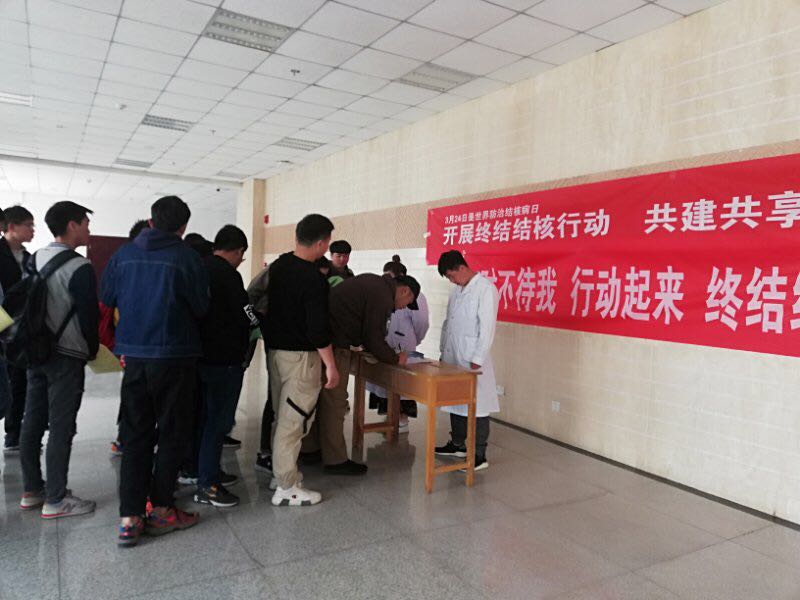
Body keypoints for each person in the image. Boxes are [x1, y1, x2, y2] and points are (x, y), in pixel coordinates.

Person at [101, 195, 209, 546]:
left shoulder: (123, 255)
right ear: (183, 227)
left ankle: (130, 518)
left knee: (135, 434)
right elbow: (201, 306)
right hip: (175, 357)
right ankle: (162, 509)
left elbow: (107, 297)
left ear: (150, 221)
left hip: (134, 357)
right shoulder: (187, 258)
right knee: (173, 433)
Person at [18, 201, 99, 518]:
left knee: (32, 421)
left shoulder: (34, 258)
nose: (88, 229)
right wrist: (93, 349)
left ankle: (32, 490)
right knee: (62, 426)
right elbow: (89, 318)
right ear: (72, 225)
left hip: (35, 351)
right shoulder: (80, 267)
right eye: (85, 223)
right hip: (66, 355)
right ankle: (55, 499)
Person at [300, 271, 420, 474]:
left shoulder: (374, 284)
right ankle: (335, 460)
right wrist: (395, 358)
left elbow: (364, 328)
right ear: (404, 291)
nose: (403, 308)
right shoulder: (382, 295)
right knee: (335, 402)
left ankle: (311, 449)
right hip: (335, 345)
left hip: (324, 341)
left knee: (321, 399)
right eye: (408, 303)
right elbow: (373, 336)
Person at [265, 214, 338, 506]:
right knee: (294, 421)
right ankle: (287, 486)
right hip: (301, 359)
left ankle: (281, 473)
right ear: (321, 243)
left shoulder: (279, 266)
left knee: (281, 417)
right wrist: (330, 365)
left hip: (276, 354)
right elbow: (317, 330)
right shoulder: (313, 279)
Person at [192, 225, 254, 508]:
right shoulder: (229, 275)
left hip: (198, 357)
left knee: (203, 419)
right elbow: (246, 315)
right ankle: (208, 484)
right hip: (224, 360)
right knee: (217, 422)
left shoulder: (198, 267)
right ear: (238, 251)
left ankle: (204, 471)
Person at [434, 250, 499, 472]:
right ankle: (457, 444)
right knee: (456, 399)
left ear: (462, 267)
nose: (451, 281)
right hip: (453, 356)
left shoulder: (485, 288)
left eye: (451, 275)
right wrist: (443, 349)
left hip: (473, 359)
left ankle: (479, 454)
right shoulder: (456, 291)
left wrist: (478, 357)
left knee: (478, 405)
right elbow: (448, 322)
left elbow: (487, 327)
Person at [367, 255, 430, 431]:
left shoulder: (417, 296)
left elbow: (422, 323)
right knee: (384, 383)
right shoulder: (382, 293)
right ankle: (389, 416)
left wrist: (415, 339)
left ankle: (402, 418)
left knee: (402, 386)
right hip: (385, 343)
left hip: (405, 342)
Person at [108, 218, 150, 457]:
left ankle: (127, 438)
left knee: (133, 393)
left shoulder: (124, 261)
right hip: (134, 341)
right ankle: (126, 438)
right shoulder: (129, 261)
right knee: (135, 394)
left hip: (130, 340)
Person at [1, 206, 34, 455]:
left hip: (25, 329)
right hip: (3, 327)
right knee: (8, 382)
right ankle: (12, 432)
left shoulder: (30, 258)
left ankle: (15, 433)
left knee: (22, 380)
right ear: (11, 227)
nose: (32, 230)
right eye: (28, 225)